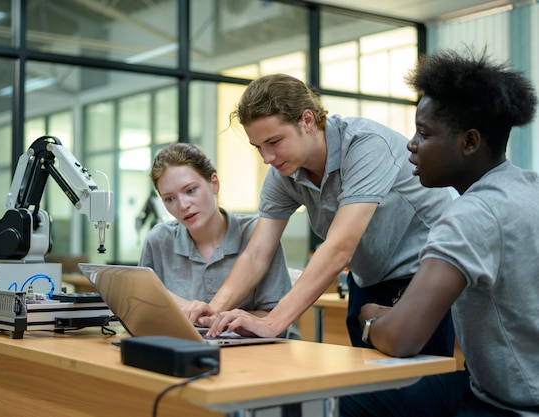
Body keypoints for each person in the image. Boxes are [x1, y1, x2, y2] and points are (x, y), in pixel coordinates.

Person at [190, 72, 455, 358]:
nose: (266, 158)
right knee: (368, 383)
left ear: (307, 120)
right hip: (367, 281)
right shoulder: (284, 173)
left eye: (274, 142)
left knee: (420, 386)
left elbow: (339, 247)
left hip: (424, 275)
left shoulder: (366, 145)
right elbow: (256, 254)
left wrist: (273, 322)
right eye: (259, 148)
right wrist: (210, 317)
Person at [340, 49, 539, 416]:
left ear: (469, 142)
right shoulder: (529, 187)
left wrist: (369, 321)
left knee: (358, 399)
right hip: (494, 386)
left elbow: (401, 340)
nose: (411, 145)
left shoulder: (470, 214)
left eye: (424, 133)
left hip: (511, 405)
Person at [138, 142, 295, 334]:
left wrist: (229, 322)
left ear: (214, 183)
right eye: (169, 199)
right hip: (181, 351)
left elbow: (276, 319)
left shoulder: (258, 234)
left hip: (253, 354)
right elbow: (143, 311)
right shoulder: (158, 240)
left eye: (190, 190)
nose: (183, 205)